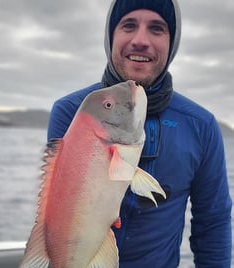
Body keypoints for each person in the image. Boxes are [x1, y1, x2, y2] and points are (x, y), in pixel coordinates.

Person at [47, 0, 232, 267]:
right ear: (111, 36)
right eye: (128, 25)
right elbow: (58, 216)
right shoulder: (72, 112)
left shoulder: (201, 125)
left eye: (156, 29)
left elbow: (213, 223)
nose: (140, 40)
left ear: (172, 44)